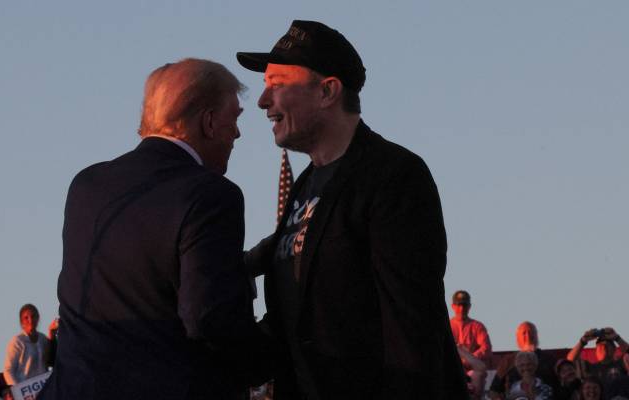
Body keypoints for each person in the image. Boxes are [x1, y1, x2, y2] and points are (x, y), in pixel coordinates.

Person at [237, 20, 468, 399]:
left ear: (327, 91)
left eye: (277, 84)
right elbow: (290, 326)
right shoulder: (304, 188)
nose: (262, 101)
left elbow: (410, 327)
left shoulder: (393, 175)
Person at [38, 58, 273, 400]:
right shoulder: (210, 195)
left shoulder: (86, 186)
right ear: (208, 122)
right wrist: (273, 354)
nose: (237, 133)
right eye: (234, 118)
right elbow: (208, 319)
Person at [490, 322, 559, 398]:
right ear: (518, 338)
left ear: (536, 336)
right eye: (524, 333)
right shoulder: (508, 361)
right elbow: (494, 390)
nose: (528, 336)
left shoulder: (549, 359)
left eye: (531, 332)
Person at [3, 304, 58, 384]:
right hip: (24, 387)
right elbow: (8, 370)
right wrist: (17, 389)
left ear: (38, 318)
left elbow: (52, 361)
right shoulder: (17, 341)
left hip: (43, 387)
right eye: (26, 318)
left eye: (33, 316)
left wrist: (52, 336)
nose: (30, 320)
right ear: (21, 322)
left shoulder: (43, 339)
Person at [450, 290, 493, 363]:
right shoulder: (446, 326)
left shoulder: (478, 327)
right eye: (459, 305)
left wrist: (470, 359)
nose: (462, 308)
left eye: (464, 305)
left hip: (472, 367)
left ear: (469, 306)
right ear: (453, 306)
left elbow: (486, 348)